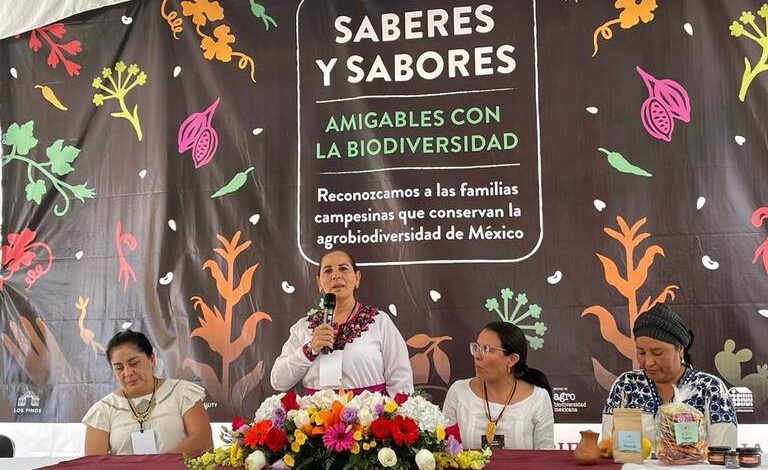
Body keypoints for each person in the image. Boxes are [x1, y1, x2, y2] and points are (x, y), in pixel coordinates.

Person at [270, 249, 413, 396]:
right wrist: (309, 349)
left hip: (368, 410)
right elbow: (278, 381)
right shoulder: (303, 328)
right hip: (316, 411)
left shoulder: (379, 322)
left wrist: (391, 410)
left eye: (343, 269)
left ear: (357, 278)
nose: (336, 275)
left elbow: (401, 379)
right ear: (319, 282)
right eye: (328, 271)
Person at [601, 303, 737, 447]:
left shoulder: (710, 388)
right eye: (641, 352)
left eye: (657, 353)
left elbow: (723, 452)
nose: (648, 362)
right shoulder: (626, 385)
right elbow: (608, 447)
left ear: (680, 350)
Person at [82, 330, 212, 455]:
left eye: (134, 363)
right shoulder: (103, 410)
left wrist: (157, 464)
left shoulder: (181, 392)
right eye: (119, 368)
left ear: (151, 359)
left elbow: (203, 441)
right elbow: (93, 463)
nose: (127, 373)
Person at [443, 322, 554, 449]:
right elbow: (445, 449)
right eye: (476, 347)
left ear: (512, 359)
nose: (477, 355)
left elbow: (546, 455)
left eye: (486, 349)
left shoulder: (538, 399)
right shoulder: (458, 391)